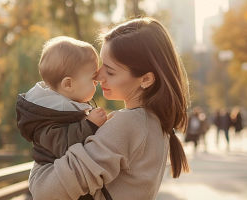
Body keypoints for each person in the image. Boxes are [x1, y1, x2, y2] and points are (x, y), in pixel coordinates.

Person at [28, 17, 190, 200]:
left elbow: (44, 192)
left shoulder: (129, 123)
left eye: (110, 71)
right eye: (101, 64)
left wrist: (44, 143)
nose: (98, 75)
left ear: (146, 79)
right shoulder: (153, 122)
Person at [16, 36, 108, 200]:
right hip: (58, 185)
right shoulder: (48, 116)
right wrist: (90, 124)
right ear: (68, 84)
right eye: (92, 79)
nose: (97, 83)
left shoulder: (62, 107)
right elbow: (63, 144)